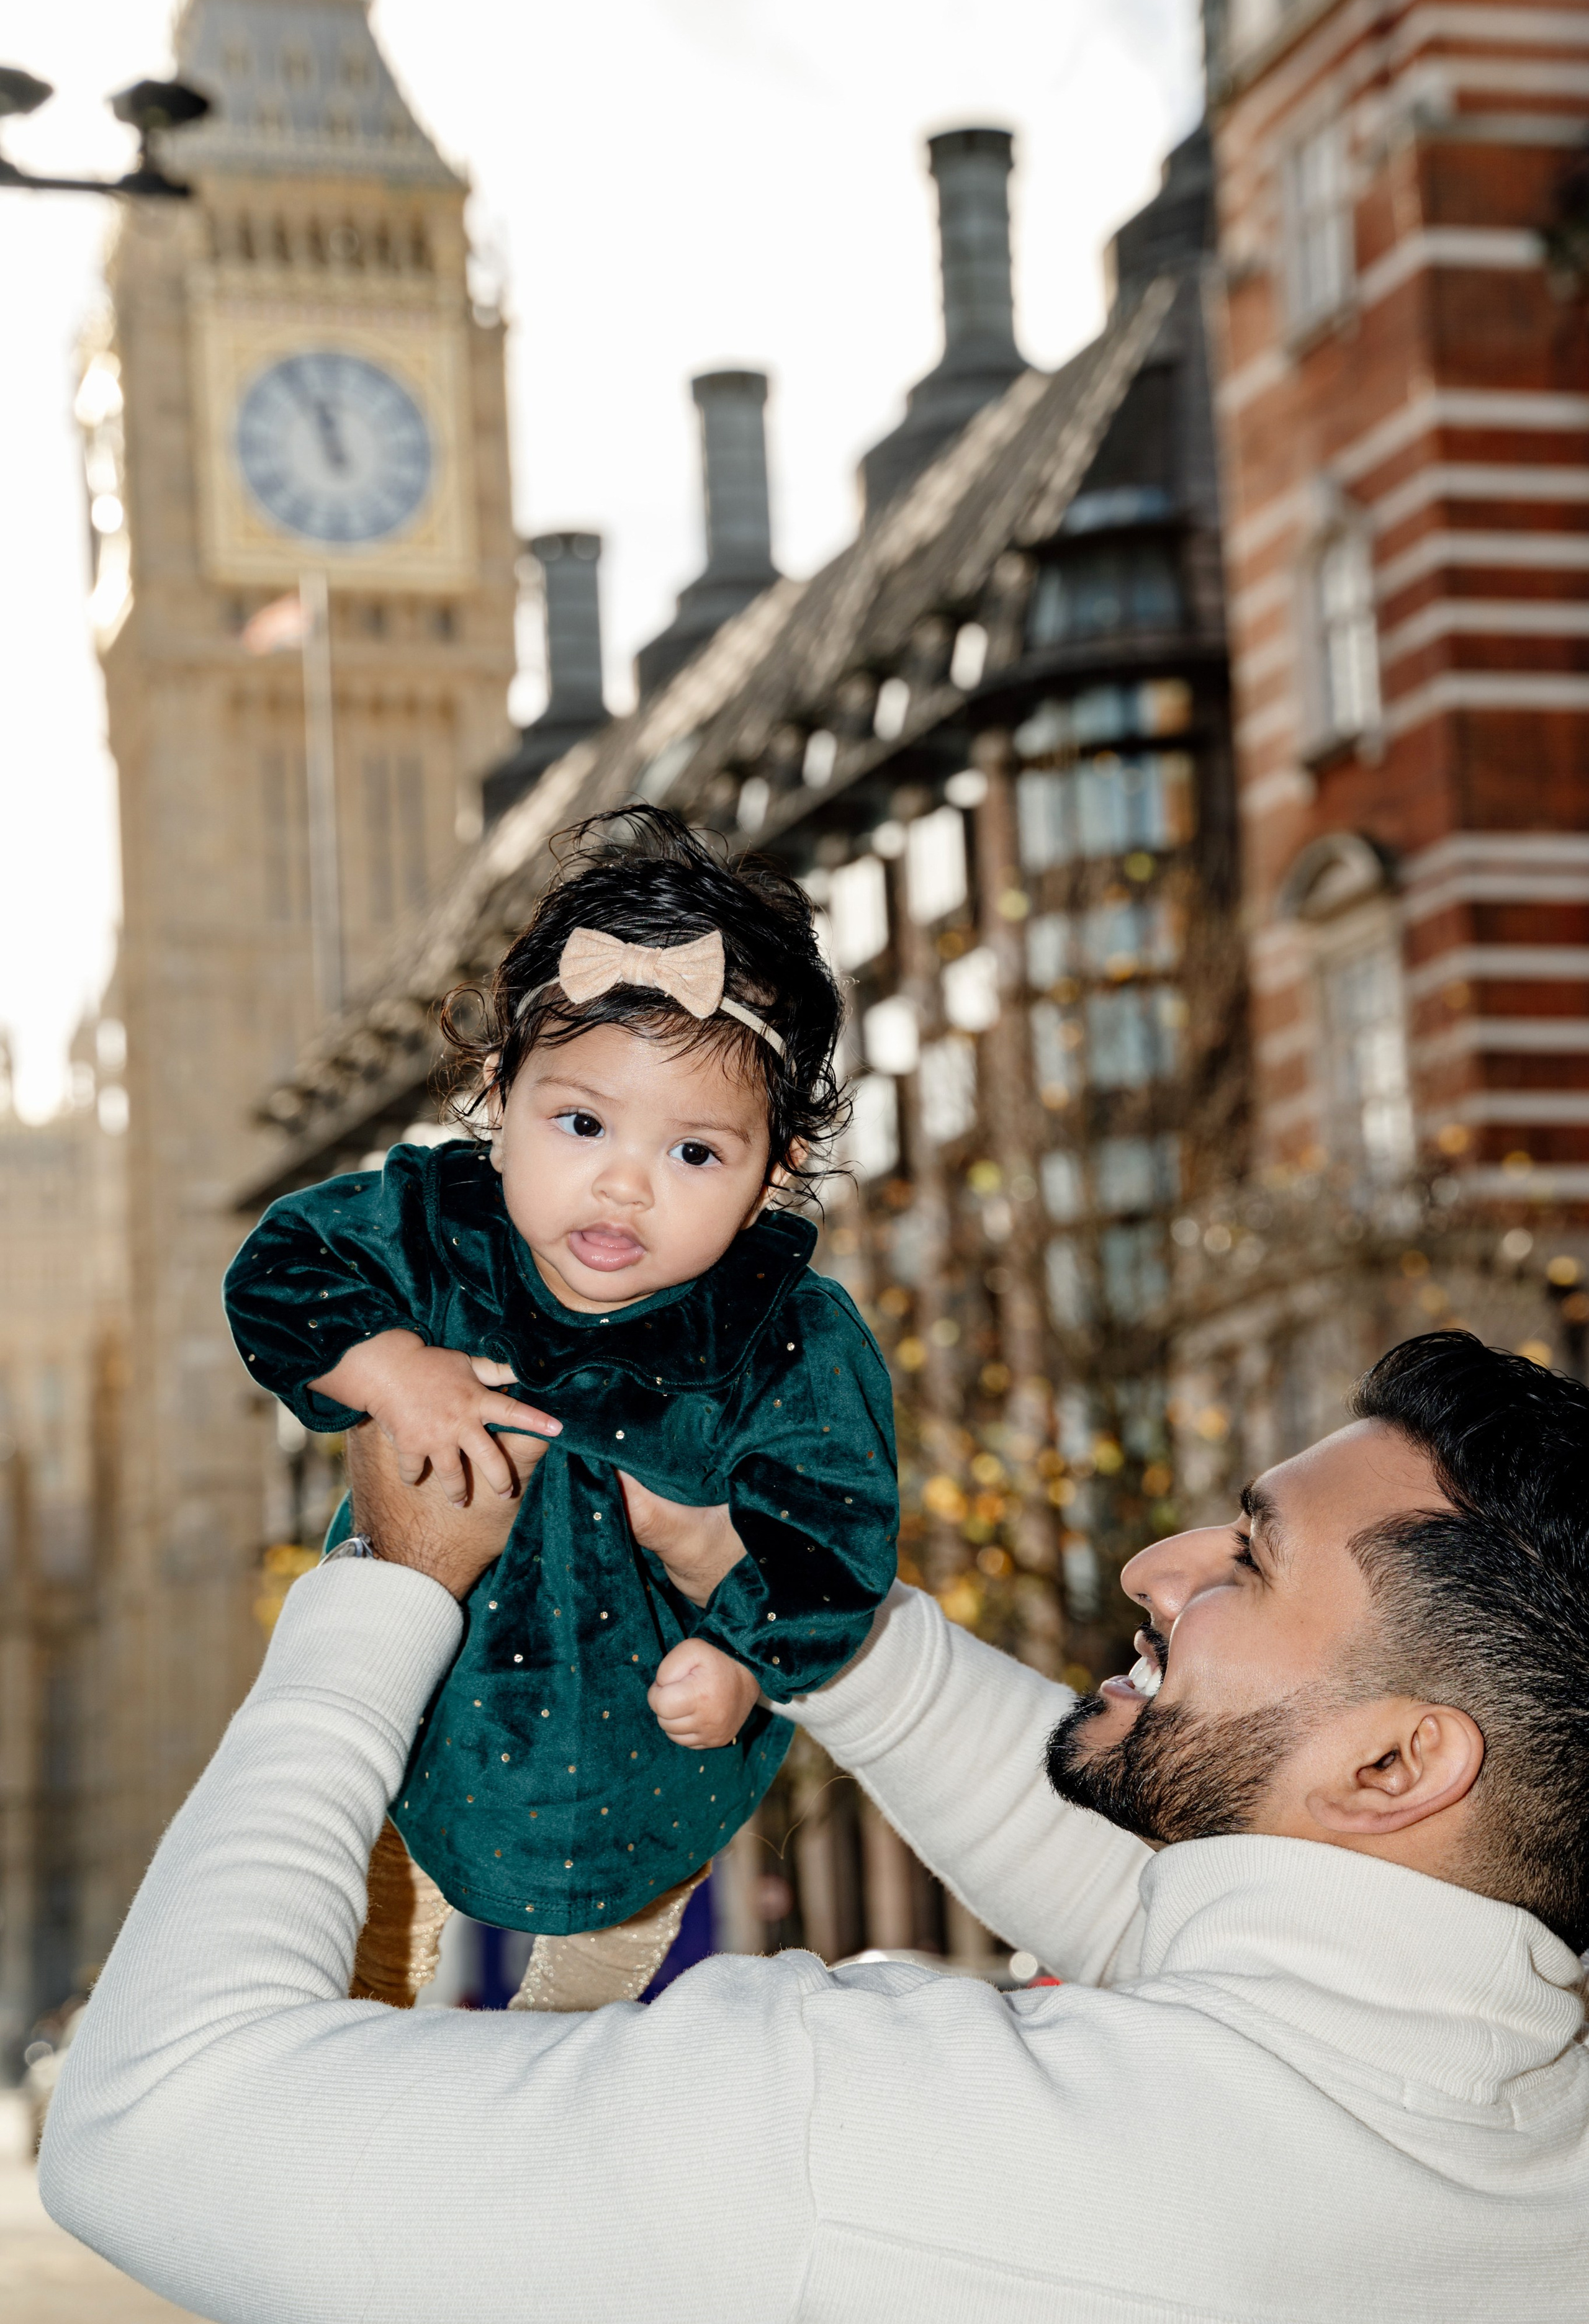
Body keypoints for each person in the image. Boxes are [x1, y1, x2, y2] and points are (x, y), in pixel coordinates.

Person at [42, 1330, 1589, 2320]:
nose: (1155, 1566)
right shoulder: (1529, 2145)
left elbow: (157, 2124)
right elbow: (1178, 1936)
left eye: (1246, 1562)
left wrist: (388, 1585)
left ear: (1396, 1767)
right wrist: (788, 1597)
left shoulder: (870, 2136)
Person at [223, 807, 897, 2006]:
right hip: (418, 1713)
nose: (626, 1183)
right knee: (355, 1942)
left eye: (697, 1155)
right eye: (581, 1124)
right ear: (500, 1092)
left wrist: (746, 1661)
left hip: (643, 1742)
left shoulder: (783, 1326)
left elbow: (833, 1538)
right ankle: (354, 2068)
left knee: (590, 2025)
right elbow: (277, 1274)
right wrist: (386, 1367)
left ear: (776, 1168)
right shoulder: (437, 1226)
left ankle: (566, 2073)